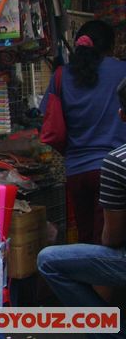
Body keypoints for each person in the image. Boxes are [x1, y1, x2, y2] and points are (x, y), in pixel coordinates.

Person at [37, 77, 126, 315]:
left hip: (80, 168)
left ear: (122, 115)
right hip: (89, 171)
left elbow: (113, 238)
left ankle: (107, 327)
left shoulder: (118, 161)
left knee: (48, 260)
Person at [40, 20, 126, 244]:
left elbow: (46, 116)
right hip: (115, 171)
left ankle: (88, 279)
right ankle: (100, 280)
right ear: (110, 46)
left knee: (86, 237)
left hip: (76, 171)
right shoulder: (122, 71)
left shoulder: (61, 75)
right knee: (109, 242)